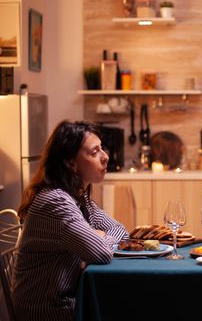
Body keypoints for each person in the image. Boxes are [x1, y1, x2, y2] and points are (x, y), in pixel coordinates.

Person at [13, 121, 128, 321]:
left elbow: (121, 230)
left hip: (68, 300)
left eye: (102, 148)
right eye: (94, 152)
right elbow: (101, 252)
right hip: (48, 311)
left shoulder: (78, 198)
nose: (105, 156)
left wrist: (99, 237)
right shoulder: (55, 201)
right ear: (71, 163)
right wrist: (97, 239)